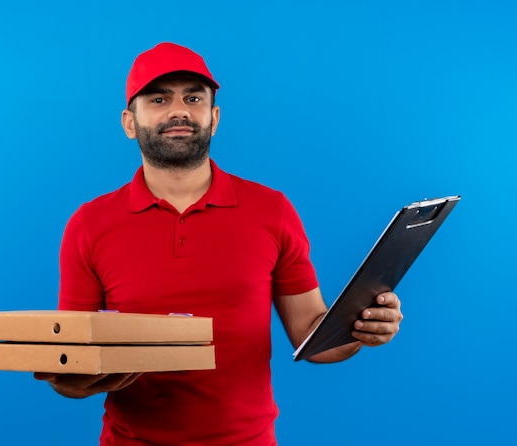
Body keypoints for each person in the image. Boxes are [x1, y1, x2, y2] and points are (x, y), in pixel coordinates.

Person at [35, 42, 404, 445]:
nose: (179, 111)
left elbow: (311, 338)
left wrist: (359, 328)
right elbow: (68, 358)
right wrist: (78, 378)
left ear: (214, 117)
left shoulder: (272, 210)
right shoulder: (90, 224)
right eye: (159, 99)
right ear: (129, 121)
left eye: (193, 98)